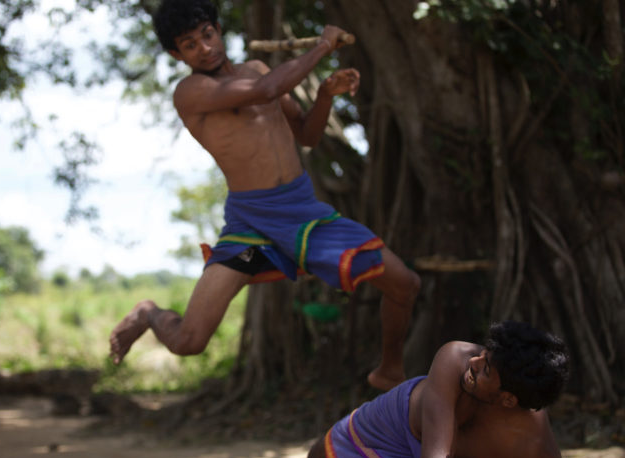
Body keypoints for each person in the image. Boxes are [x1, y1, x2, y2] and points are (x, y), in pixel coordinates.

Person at [109, 0, 421, 390]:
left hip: (303, 211)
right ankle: (148, 313)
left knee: (404, 283)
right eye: (190, 45)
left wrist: (325, 94)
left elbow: (306, 135)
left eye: (207, 35)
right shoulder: (191, 92)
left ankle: (390, 368)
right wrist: (323, 47)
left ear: (218, 30)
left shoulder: (256, 68)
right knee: (190, 341)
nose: (204, 47)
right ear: (177, 54)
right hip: (250, 224)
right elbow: (267, 89)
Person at [306, 320, 572, 458]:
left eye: (486, 369)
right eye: (483, 354)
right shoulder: (455, 356)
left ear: (508, 399)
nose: (474, 362)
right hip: (395, 424)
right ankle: (348, 426)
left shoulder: (537, 450)